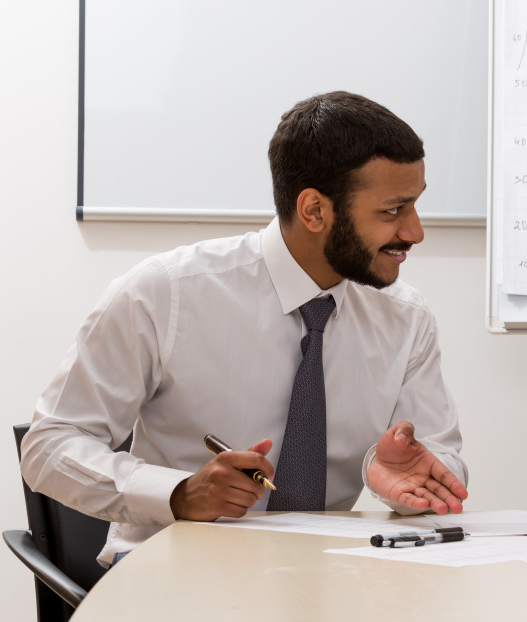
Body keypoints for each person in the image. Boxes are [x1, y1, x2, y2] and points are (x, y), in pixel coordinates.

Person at [21, 91, 468, 565]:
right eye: (393, 210)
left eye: (416, 205)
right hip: (172, 576)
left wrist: (398, 477)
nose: (415, 231)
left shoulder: (406, 318)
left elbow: (438, 457)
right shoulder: (165, 293)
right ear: (314, 210)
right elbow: (50, 446)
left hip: (320, 576)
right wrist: (178, 492)